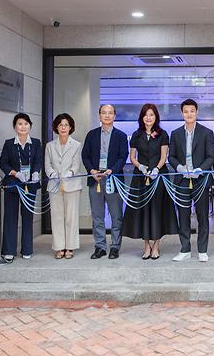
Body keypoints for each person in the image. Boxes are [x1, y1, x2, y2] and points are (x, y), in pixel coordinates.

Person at [122, 104, 179, 260]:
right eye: (146, 115)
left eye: (152, 115)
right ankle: (146, 246)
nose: (148, 118)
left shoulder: (162, 134)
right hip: (140, 178)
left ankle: (156, 246)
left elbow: (163, 157)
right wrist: (139, 166)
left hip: (158, 177)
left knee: (157, 210)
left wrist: (156, 169)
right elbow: (132, 156)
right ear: (141, 117)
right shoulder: (136, 134)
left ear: (156, 117)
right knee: (143, 211)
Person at [168, 99, 214, 262]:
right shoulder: (175, 134)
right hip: (181, 180)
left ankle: (202, 250)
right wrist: (179, 167)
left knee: (203, 216)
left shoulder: (206, 133)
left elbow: (210, 157)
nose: (189, 114)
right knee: (183, 215)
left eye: (192, 111)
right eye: (186, 111)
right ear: (182, 113)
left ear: (197, 112)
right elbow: (171, 156)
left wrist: (200, 170)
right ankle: (185, 249)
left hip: (200, 180)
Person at [81, 104, 129, 260]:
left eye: (110, 113)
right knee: (97, 216)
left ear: (114, 116)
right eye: (104, 113)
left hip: (113, 180)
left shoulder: (121, 136)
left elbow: (123, 156)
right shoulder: (92, 135)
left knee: (116, 216)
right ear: (99, 115)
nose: (107, 115)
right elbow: (85, 155)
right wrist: (91, 170)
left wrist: (112, 170)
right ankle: (100, 246)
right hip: (96, 180)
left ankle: (115, 247)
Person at [0, 113, 42, 263]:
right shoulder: (9, 143)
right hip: (12, 184)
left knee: (28, 217)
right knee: (10, 217)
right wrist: (15, 173)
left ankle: (27, 249)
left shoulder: (36, 143)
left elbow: (38, 161)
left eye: (25, 123)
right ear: (15, 127)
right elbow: (3, 163)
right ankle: (9, 250)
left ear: (30, 125)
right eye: (19, 124)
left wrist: (36, 172)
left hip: (30, 185)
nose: (23, 126)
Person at [45, 113, 83, 259]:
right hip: (54, 185)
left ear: (71, 127)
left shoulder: (76, 145)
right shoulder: (50, 145)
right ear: (56, 127)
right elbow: (47, 165)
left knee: (71, 217)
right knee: (57, 217)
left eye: (66, 125)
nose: (63, 127)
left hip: (72, 184)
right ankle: (59, 247)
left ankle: (70, 247)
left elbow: (76, 164)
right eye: (60, 125)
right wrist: (52, 174)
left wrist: (70, 172)